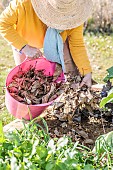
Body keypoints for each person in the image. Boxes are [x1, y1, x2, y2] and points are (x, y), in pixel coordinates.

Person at [0, 0, 93, 87]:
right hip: (24, 41)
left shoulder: (74, 16)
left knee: (64, 79)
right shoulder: (23, 4)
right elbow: (3, 24)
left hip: (58, 42)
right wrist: (25, 48)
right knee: (24, 80)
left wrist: (87, 72)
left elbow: (77, 44)